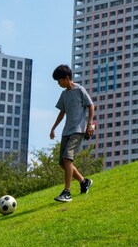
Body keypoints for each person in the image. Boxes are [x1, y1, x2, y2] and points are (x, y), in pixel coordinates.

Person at [49, 64, 95, 203]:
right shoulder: (64, 94)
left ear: (67, 78)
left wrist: (89, 124)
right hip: (66, 131)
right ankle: (83, 181)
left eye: (59, 80)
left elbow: (91, 105)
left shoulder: (79, 90)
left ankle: (67, 192)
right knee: (62, 163)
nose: (58, 83)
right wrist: (53, 128)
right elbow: (62, 112)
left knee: (68, 159)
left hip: (78, 130)